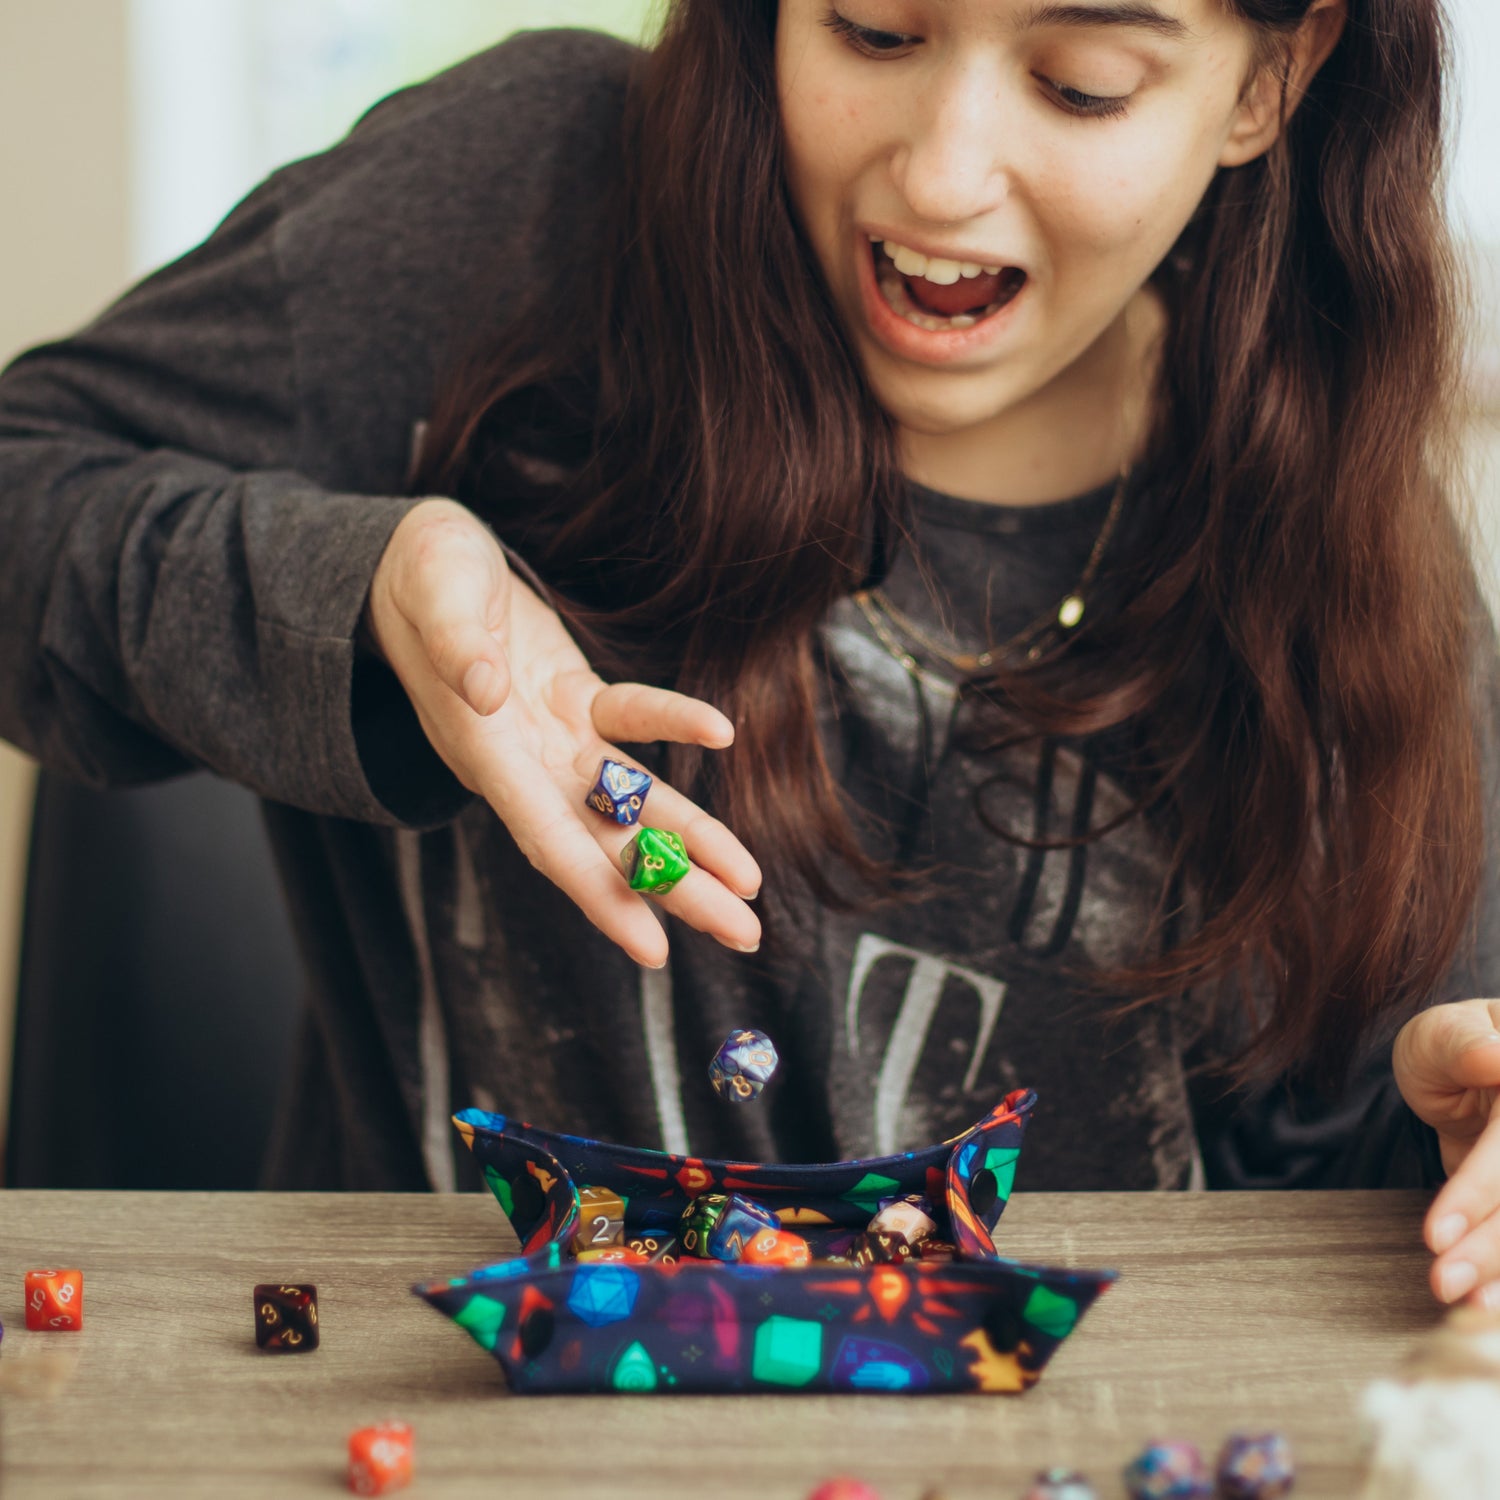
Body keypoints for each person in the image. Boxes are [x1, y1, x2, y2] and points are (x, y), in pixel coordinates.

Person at [1, 0, 1497, 1309]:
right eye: (872, 32)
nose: (941, 172)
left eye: (1084, 81)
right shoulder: (530, 196)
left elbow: (1374, 1169)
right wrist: (364, 588)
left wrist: (1452, 1149)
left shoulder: (1336, 533)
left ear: (1269, 81)